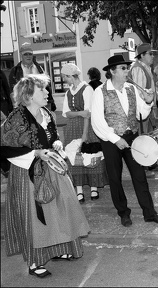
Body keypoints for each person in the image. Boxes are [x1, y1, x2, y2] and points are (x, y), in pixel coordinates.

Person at [1, 74, 90, 278]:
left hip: (50, 167)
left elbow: (53, 136)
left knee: (60, 211)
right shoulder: (16, 118)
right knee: (35, 217)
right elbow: (5, 148)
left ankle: (59, 250)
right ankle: (34, 262)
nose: (47, 93)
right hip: (27, 173)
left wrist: (56, 144)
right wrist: (34, 153)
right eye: (43, 90)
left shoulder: (47, 112)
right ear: (29, 95)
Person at [91, 55, 158, 227]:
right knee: (115, 178)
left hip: (131, 136)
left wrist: (148, 102)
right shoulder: (99, 92)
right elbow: (97, 122)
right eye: (123, 68)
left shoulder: (131, 89)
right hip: (110, 139)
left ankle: (150, 213)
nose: (127, 71)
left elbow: (142, 113)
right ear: (112, 71)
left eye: (127, 68)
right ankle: (123, 213)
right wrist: (115, 139)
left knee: (139, 176)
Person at [61, 63, 109, 203]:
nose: (64, 80)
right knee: (74, 157)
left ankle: (94, 188)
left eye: (65, 77)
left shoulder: (87, 89)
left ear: (71, 76)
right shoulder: (69, 91)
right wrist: (80, 113)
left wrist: (85, 134)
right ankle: (79, 190)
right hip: (72, 127)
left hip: (86, 127)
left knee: (90, 154)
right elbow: (66, 113)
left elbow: (89, 114)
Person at [129, 43, 158, 173]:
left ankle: (150, 163)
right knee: (143, 138)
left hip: (149, 108)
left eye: (153, 54)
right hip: (142, 110)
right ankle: (143, 167)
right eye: (150, 54)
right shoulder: (138, 68)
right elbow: (140, 92)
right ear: (142, 55)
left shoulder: (145, 67)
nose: (152, 56)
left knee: (149, 136)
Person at [9, 42, 56, 111]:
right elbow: (13, 90)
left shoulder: (39, 68)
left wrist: (50, 102)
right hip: (25, 103)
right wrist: (16, 105)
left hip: (41, 102)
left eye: (30, 54)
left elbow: (47, 86)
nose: (28, 56)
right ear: (21, 55)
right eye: (25, 54)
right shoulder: (15, 70)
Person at [1, 69, 12, 179]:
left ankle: (7, 168)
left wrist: (10, 108)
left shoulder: (0, 73)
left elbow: (7, 90)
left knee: (4, 139)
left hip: (2, 108)